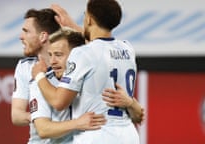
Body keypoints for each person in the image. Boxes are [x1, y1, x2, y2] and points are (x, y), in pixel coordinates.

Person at [32, 0, 140, 143]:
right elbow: (100, 46)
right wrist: (72, 26)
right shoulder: (127, 48)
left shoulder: (81, 54)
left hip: (97, 135)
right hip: (128, 135)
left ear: (89, 19)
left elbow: (59, 102)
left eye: (85, 15)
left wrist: (39, 76)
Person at [11, 8, 105, 144]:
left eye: (26, 31)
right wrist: (41, 117)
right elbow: (17, 116)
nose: (21, 36)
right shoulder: (31, 72)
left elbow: (98, 48)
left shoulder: (78, 66)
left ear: (43, 36)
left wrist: (71, 25)